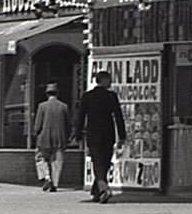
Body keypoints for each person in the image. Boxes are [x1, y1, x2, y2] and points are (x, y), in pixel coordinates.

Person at [74, 68, 128, 204]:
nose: (110, 82)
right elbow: (118, 116)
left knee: (98, 162)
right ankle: (103, 189)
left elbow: (80, 116)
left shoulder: (87, 96)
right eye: (109, 79)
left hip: (93, 134)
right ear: (103, 81)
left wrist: (78, 133)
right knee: (104, 162)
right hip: (108, 134)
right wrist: (122, 135)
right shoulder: (111, 96)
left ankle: (97, 191)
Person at [32, 83, 72, 192]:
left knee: (40, 158)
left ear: (46, 94)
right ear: (57, 93)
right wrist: (68, 136)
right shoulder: (64, 106)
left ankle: (47, 177)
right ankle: (55, 184)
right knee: (57, 161)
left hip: (44, 138)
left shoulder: (42, 106)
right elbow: (68, 124)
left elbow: (38, 124)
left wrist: (35, 133)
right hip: (60, 138)